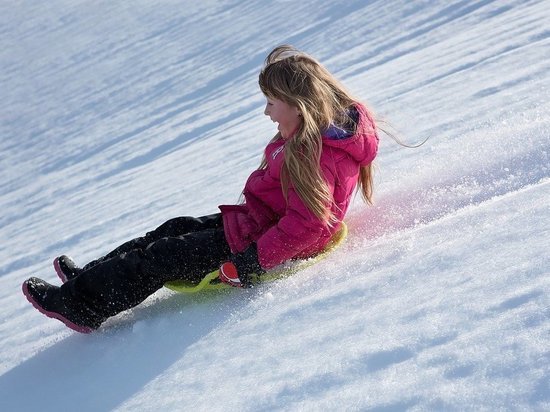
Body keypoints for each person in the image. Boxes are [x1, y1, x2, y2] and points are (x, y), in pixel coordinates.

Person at [22, 45, 379, 333]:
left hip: (256, 245)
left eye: (272, 103)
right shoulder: (315, 138)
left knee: (160, 257)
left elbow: (308, 225)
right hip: (257, 224)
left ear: (300, 107)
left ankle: (80, 306)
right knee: (173, 228)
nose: (266, 112)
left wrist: (252, 262)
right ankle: (89, 277)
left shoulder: (313, 154)